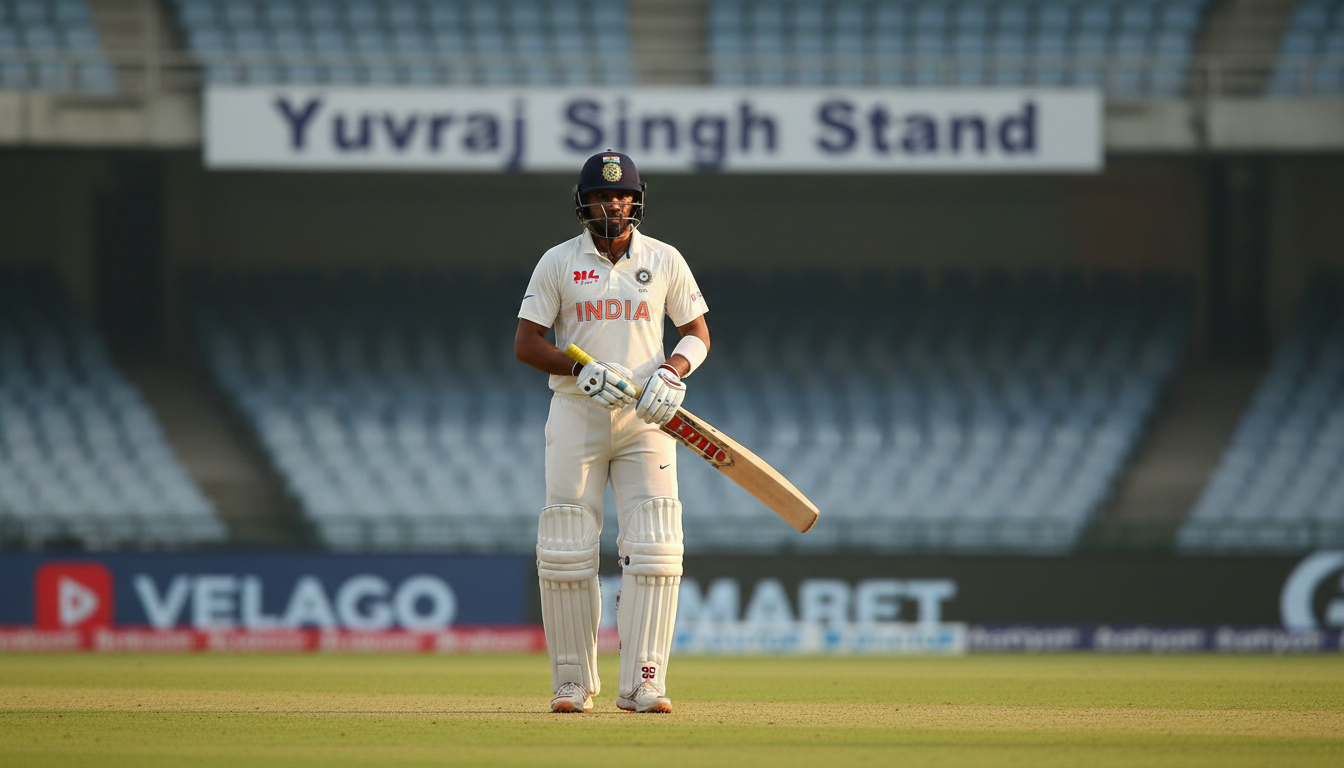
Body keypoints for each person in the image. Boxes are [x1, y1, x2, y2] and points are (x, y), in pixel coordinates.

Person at [515, 150, 711, 714]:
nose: (611, 203)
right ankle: (572, 682)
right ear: (584, 203)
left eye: (620, 194)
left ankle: (644, 681)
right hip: (577, 413)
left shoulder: (665, 259)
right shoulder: (557, 262)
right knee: (567, 548)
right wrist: (579, 367)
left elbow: (697, 332)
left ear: (636, 201)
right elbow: (526, 344)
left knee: (655, 545)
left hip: (647, 418)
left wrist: (674, 371)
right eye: (601, 196)